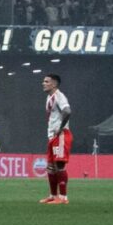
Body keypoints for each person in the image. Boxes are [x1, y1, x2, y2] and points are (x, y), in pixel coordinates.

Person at [40, 74, 71, 204]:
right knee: (51, 167)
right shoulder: (49, 97)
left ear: (54, 84)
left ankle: (63, 197)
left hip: (61, 135)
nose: (43, 83)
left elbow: (67, 111)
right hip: (52, 136)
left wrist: (60, 127)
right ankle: (53, 195)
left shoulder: (59, 96)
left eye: (46, 81)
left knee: (59, 165)